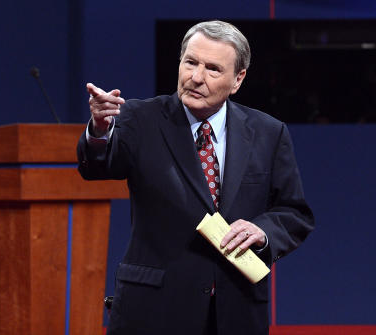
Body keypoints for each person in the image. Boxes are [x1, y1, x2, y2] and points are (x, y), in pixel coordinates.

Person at [77, 20, 314, 335]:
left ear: (237, 79)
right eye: (190, 63)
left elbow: (294, 212)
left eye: (213, 69)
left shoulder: (268, 133)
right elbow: (98, 167)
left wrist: (262, 231)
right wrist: (100, 131)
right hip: (154, 309)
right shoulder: (140, 119)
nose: (196, 77)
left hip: (236, 311)